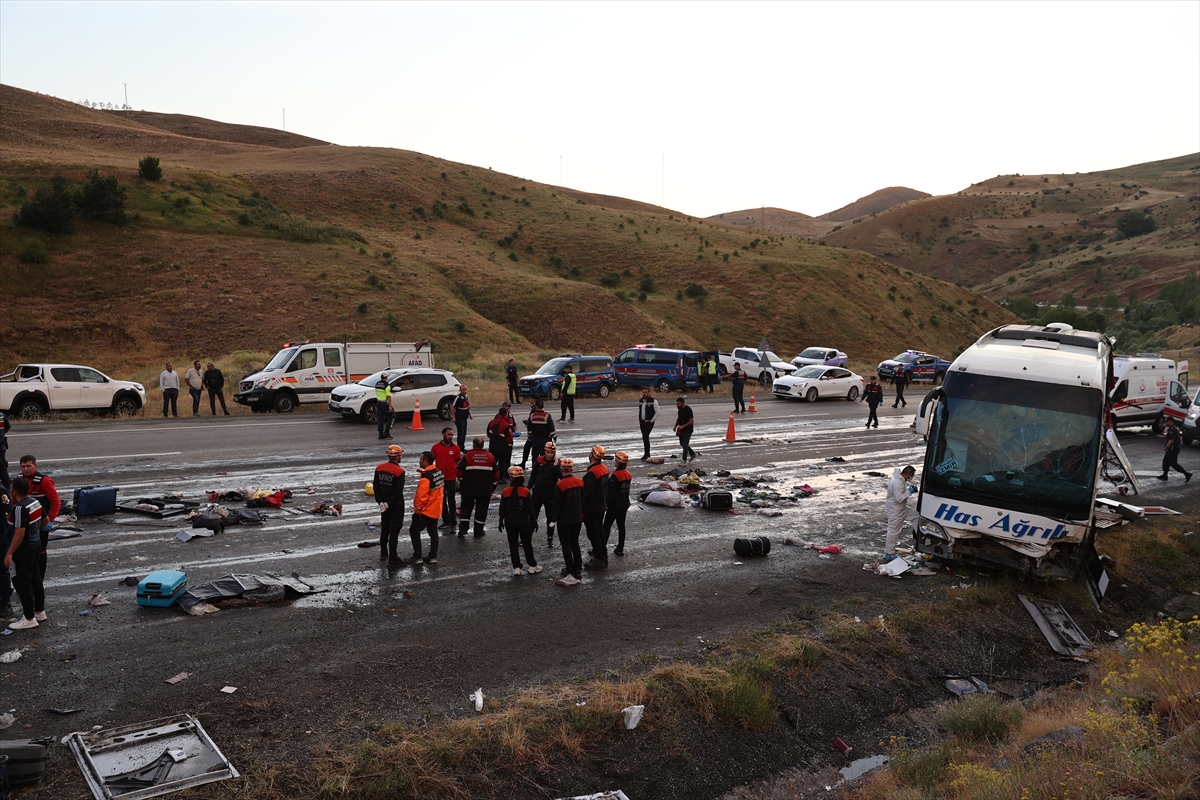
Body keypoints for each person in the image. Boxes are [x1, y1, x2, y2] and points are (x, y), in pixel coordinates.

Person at [4, 476, 44, 630]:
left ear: (14, 490)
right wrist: (34, 534)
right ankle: (39, 611)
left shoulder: (19, 508)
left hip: (23, 550)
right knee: (35, 579)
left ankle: (29, 617)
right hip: (35, 545)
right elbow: (44, 520)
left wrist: (9, 553)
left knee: (23, 584)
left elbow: (19, 533)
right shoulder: (35, 502)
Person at [20, 455, 58, 581]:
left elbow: (56, 502)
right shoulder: (18, 481)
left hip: (41, 524)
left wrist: (50, 520)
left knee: (40, 553)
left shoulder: (44, 481)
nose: (25, 469)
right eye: (23, 466)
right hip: (24, 525)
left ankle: (39, 581)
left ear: (35, 466)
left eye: (28, 466)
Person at [499, 466, 541, 576]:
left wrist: (500, 521)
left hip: (510, 522)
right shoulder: (525, 491)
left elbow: (502, 509)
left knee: (513, 545)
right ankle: (532, 565)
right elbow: (530, 509)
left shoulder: (505, 492)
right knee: (527, 544)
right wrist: (534, 521)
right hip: (523, 522)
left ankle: (516, 567)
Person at [408, 452, 444, 565]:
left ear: (425, 461)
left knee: (414, 531)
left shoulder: (426, 478)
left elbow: (421, 497)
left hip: (426, 511)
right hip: (436, 509)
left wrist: (417, 511)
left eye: (420, 459)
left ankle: (417, 556)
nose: (419, 461)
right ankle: (433, 556)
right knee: (433, 532)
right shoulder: (439, 472)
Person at [552, 459, 584, 584]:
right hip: (577, 518)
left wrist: (553, 520)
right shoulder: (580, 482)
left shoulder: (560, 485)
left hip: (564, 520)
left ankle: (570, 570)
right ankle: (578, 568)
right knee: (575, 544)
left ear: (561, 470)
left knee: (566, 546)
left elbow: (557, 505)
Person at [373, 445, 407, 565]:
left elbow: (376, 487)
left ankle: (383, 552)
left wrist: (381, 502)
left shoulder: (379, 468)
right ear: (397, 456)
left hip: (383, 504)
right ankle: (393, 557)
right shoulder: (400, 471)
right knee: (394, 531)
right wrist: (389, 503)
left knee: (385, 528)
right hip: (395, 505)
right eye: (400, 455)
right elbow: (398, 491)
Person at [457, 436, 497, 537]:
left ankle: (463, 529)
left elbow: (458, 472)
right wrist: (493, 487)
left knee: (466, 508)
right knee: (481, 510)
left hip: (468, 489)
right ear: (483, 445)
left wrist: (462, 481)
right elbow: (496, 475)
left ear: (473, 445)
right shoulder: (490, 457)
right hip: (484, 489)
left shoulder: (468, 456)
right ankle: (478, 531)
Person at [582, 445, 610, 569]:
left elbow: (588, 495)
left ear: (593, 455)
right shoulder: (604, 469)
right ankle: (603, 554)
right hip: (601, 506)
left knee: (594, 533)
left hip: (592, 509)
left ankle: (599, 559)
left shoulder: (592, 473)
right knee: (600, 531)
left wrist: (583, 511)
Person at [530, 442, 561, 547]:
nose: (549, 455)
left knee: (550, 517)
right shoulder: (539, 460)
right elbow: (533, 475)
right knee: (533, 515)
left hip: (550, 495)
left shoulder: (558, 463)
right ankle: (528, 536)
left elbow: (562, 477)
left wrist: (557, 467)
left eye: (552, 453)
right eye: (548, 452)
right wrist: (528, 488)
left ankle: (550, 537)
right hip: (537, 493)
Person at [884, 466, 918, 561]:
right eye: (911, 476)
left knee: (916, 516)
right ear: (906, 474)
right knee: (894, 531)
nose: (910, 478)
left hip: (901, 509)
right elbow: (898, 499)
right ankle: (889, 553)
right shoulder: (897, 482)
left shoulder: (901, 480)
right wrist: (909, 492)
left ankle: (920, 539)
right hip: (895, 510)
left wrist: (910, 490)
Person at [431, 427, 462, 529]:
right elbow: (431, 463)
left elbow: (458, 463)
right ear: (443, 434)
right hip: (440, 480)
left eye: (452, 435)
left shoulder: (456, 448)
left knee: (451, 501)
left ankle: (453, 522)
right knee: (442, 501)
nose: (450, 437)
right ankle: (446, 521)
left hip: (451, 479)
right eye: (449, 435)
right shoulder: (435, 448)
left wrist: (459, 477)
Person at [603, 452, 632, 556]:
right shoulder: (628, 474)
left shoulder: (616, 476)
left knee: (606, 527)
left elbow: (611, 493)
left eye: (615, 460)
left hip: (614, 506)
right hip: (624, 504)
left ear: (618, 462)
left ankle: (602, 548)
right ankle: (620, 548)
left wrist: (607, 504)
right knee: (621, 526)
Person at [1157, 416, 1193, 482]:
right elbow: (1172, 437)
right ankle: (1165, 475)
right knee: (1166, 462)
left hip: (1173, 449)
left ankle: (1186, 474)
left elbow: (1172, 440)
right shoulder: (1173, 428)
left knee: (1173, 463)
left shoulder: (1172, 429)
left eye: (1166, 421)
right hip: (1171, 448)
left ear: (1170, 421)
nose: (1165, 423)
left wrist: (1167, 447)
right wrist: (1165, 437)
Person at [522, 399, 555, 469]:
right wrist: (554, 438)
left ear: (536, 406)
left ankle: (535, 468)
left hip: (536, 439)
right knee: (544, 455)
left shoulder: (532, 416)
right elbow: (552, 429)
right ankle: (545, 468)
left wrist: (530, 437)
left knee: (535, 455)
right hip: (545, 439)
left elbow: (529, 428)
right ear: (543, 406)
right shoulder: (547, 416)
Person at [487, 404, 516, 479]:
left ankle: (490, 476)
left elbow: (488, 433)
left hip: (493, 446)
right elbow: (509, 438)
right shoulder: (506, 425)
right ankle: (501, 478)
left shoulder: (492, 422)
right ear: (506, 414)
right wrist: (510, 446)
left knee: (493, 462)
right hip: (503, 448)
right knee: (502, 463)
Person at [638, 387, 660, 461]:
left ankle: (647, 454)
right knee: (644, 438)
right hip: (642, 422)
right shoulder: (641, 401)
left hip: (649, 422)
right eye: (643, 392)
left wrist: (652, 420)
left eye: (645, 393)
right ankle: (646, 453)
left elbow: (657, 412)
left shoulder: (653, 401)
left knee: (645, 436)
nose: (644, 394)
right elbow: (640, 410)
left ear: (649, 393)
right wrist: (639, 419)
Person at [674, 397, 696, 463]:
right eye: (676, 403)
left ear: (682, 403)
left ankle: (684, 460)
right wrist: (675, 426)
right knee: (682, 443)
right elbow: (679, 418)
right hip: (681, 430)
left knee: (685, 445)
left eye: (678, 403)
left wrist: (683, 426)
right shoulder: (680, 410)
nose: (677, 405)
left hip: (688, 430)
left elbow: (691, 421)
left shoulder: (688, 410)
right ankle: (692, 453)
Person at [375, 372, 395, 440]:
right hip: (384, 403)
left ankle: (380, 434)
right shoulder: (387, 385)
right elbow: (388, 396)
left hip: (378, 402)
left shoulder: (377, 384)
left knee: (380, 419)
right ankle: (386, 432)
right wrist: (390, 406)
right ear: (386, 377)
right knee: (392, 416)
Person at [0, 408, 10, 489]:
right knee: (2, 466)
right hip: (1, 444)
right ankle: (7, 485)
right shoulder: (2, 416)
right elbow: (7, 428)